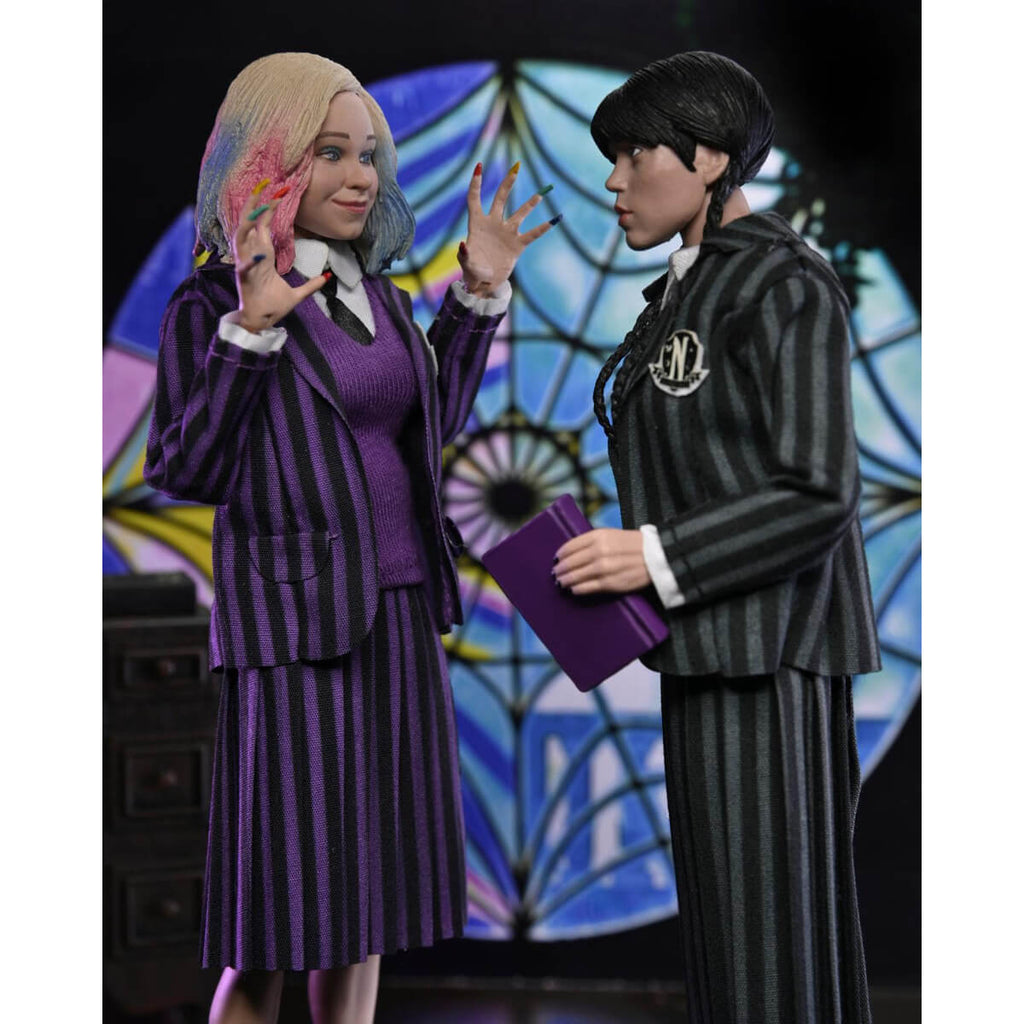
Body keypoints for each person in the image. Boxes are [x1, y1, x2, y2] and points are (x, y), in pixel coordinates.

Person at [144, 51, 556, 1024]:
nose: (360, 175)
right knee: (278, 920)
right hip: (294, 638)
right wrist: (250, 336)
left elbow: (428, 425)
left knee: (366, 905)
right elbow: (185, 469)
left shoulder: (385, 298)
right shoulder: (210, 305)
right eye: (330, 152)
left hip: (398, 619)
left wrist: (479, 293)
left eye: (368, 154)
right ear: (268, 158)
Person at [553, 51, 881, 1024]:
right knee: (730, 938)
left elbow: (819, 488)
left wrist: (653, 555)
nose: (614, 181)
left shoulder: (781, 282)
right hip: (705, 647)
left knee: (772, 939)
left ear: (706, 158)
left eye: (635, 155)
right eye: (611, 159)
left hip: (770, 655)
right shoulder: (683, 293)